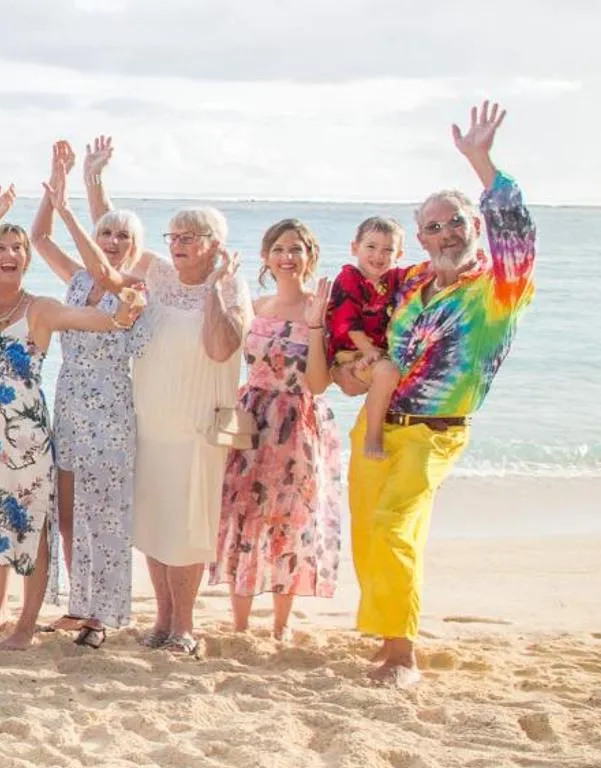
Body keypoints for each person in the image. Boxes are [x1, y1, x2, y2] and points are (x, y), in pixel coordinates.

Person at [348, 101, 534, 688]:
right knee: (367, 531)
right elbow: (367, 324)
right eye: (432, 226)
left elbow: (517, 241)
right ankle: (387, 635)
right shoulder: (412, 285)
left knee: (395, 526)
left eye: (454, 221)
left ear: (473, 225)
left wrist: (482, 165)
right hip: (376, 424)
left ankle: (404, 653)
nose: (445, 232)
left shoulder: (497, 291)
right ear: (420, 237)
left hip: (432, 434)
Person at [0, 186, 145, 651]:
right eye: (1, 249)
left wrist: (124, 314)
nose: (9, 254)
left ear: (27, 260)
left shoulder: (42, 308)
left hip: (29, 438)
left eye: (18, 248)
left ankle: (25, 624)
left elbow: (99, 321)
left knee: (33, 529)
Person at [89, 147, 252, 656]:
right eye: (174, 237)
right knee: (156, 524)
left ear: (214, 245)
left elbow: (220, 348)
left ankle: (185, 625)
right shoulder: (155, 275)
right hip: (150, 421)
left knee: (187, 528)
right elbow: (112, 236)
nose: (177, 245)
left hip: (199, 426)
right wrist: (94, 179)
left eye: (189, 238)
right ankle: (161, 620)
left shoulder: (231, 287)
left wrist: (216, 289)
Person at [30, 139, 149, 646]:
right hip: (70, 400)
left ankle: (101, 615)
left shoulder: (132, 288)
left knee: (104, 512)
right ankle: (81, 606)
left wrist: (71, 210)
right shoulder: (79, 280)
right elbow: (38, 237)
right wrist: (55, 182)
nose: (114, 240)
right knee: (70, 509)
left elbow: (105, 269)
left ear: (135, 245)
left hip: (110, 408)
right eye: (108, 232)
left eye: (123, 235)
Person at [213, 220, 345, 639]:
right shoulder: (259, 307)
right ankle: (238, 624)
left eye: (297, 249)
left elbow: (321, 383)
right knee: (242, 514)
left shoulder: (318, 307)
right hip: (252, 418)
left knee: (288, 520)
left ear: (310, 256)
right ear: (267, 257)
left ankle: (280, 626)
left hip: (297, 423)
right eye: (280, 249)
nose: (288, 256)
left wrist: (318, 324)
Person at [327, 218, 407, 460]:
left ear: (399, 254)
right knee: (387, 372)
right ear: (355, 248)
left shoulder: (395, 279)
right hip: (349, 352)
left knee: (394, 372)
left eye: (388, 250)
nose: (378, 256)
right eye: (370, 247)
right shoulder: (349, 277)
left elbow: (428, 273)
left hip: (374, 353)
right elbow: (346, 323)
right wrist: (370, 351)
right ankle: (372, 437)